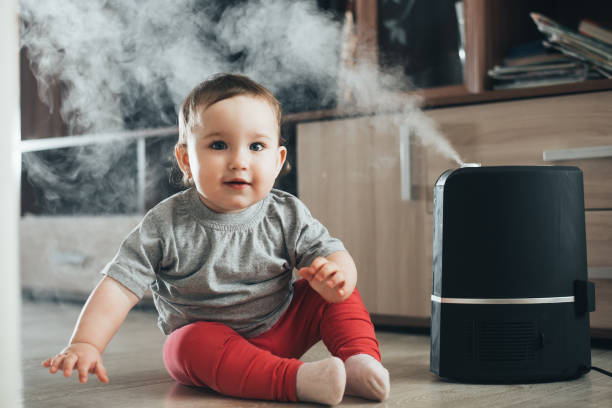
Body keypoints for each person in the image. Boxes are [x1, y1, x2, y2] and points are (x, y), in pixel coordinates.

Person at [43, 73, 390, 405]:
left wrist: (336, 278)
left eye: (256, 146)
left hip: (281, 328)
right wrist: (86, 343)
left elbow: (333, 253)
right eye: (219, 145)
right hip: (211, 347)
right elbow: (119, 286)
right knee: (183, 346)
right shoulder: (165, 223)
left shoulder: (287, 213)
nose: (239, 161)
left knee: (336, 292)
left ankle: (360, 362)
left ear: (278, 160)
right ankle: (295, 381)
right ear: (186, 159)